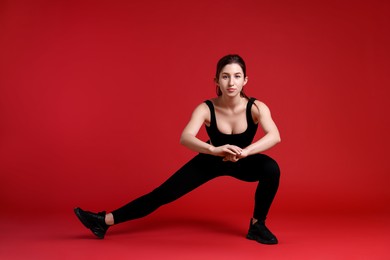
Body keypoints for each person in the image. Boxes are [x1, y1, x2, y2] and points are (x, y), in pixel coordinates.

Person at [74, 54, 281, 245]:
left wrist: (245, 152)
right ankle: (104, 221)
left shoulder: (256, 107)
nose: (231, 82)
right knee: (162, 194)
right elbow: (186, 138)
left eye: (237, 76)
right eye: (225, 76)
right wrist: (214, 150)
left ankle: (257, 225)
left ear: (245, 80)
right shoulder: (206, 108)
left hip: (241, 160)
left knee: (271, 169)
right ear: (216, 80)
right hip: (211, 159)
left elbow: (274, 136)